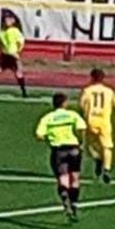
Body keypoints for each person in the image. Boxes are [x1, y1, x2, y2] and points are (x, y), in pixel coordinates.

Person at [35, 92, 88, 221]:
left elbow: (39, 135)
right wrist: (81, 141)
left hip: (58, 150)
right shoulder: (72, 115)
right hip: (73, 148)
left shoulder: (48, 118)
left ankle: (65, 201)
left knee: (63, 179)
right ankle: (74, 204)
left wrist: (50, 137)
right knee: (75, 178)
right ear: (65, 103)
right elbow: (82, 128)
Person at [79, 68, 115, 183]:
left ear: (92, 77)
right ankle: (107, 169)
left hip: (91, 120)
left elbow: (82, 105)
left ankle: (97, 158)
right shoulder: (109, 91)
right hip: (104, 121)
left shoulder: (87, 90)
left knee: (89, 146)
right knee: (107, 146)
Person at [0, 9, 27, 97]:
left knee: (18, 73)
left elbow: (21, 42)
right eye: (5, 19)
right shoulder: (1, 32)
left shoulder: (15, 31)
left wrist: (17, 52)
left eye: (9, 19)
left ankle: (24, 92)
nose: (7, 21)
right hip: (4, 55)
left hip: (13, 56)